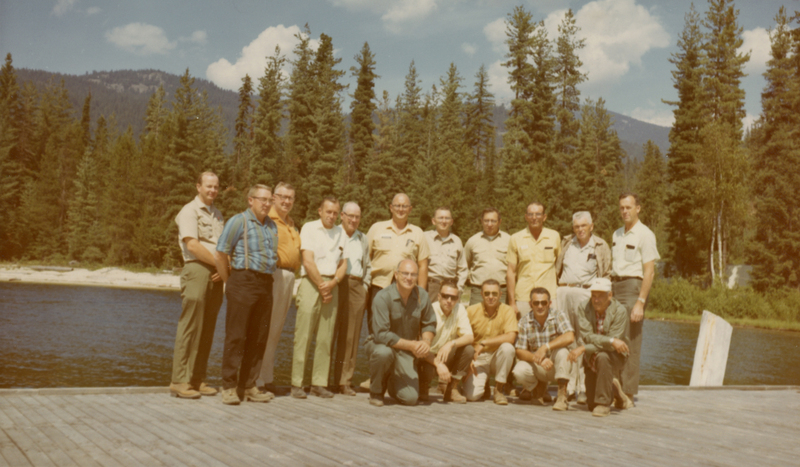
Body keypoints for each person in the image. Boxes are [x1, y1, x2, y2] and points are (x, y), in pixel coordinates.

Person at [214, 185, 278, 405]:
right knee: (236, 336)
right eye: (263, 199)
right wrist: (229, 281)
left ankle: (248, 384)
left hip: (265, 283)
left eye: (270, 200)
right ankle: (229, 386)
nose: (267, 204)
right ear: (250, 200)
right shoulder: (238, 221)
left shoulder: (271, 225)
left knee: (259, 336)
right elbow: (221, 252)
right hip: (242, 280)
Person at [170, 172, 225, 399]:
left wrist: (224, 270)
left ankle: (196, 378)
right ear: (198, 187)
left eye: (216, 187)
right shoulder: (188, 211)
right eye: (208, 186)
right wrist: (219, 265)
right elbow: (192, 245)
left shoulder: (218, 215)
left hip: (216, 274)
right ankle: (179, 380)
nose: (212, 190)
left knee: (208, 327)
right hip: (197, 270)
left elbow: (222, 246)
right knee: (191, 326)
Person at [291, 197, 347, 399]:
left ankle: (318, 383)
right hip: (311, 283)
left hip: (332, 284)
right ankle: (297, 383)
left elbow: (343, 263)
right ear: (320, 211)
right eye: (328, 212)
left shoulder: (341, 232)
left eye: (335, 212)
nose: (331, 216)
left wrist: (333, 283)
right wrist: (322, 287)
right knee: (303, 334)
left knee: (326, 336)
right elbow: (307, 260)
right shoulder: (309, 228)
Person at [554, 211, 611, 405]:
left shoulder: (601, 246)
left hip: (585, 295)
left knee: (582, 339)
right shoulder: (567, 243)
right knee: (565, 338)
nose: (580, 230)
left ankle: (582, 388)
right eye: (576, 226)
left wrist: (601, 300)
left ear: (591, 226)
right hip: (563, 292)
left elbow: (606, 273)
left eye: (583, 226)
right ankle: (567, 386)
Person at [365, 259, 436, 407]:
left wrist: (426, 342)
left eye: (413, 274)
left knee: (410, 399)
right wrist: (412, 345)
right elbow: (381, 334)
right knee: (383, 353)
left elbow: (429, 323)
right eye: (405, 273)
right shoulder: (383, 297)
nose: (409, 278)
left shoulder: (422, 296)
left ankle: (392, 380)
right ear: (396, 275)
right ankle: (376, 391)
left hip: (406, 351)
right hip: (382, 345)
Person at [612, 192, 659, 403]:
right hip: (615, 287)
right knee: (615, 337)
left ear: (637, 208)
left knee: (631, 338)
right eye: (622, 207)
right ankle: (615, 386)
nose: (625, 211)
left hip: (633, 288)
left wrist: (640, 302)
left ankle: (628, 393)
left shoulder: (645, 234)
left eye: (629, 207)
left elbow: (649, 271)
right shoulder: (617, 235)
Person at [257, 182, 301, 396]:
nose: (286, 201)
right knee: (264, 327)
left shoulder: (291, 223)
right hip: (274, 274)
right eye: (282, 197)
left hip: (289, 276)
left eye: (290, 198)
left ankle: (267, 377)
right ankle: (256, 380)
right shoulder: (267, 219)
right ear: (274, 197)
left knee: (276, 330)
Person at [568, 278, 632, 417]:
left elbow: (611, 348)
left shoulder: (620, 311)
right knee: (591, 405)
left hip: (616, 355)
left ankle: (603, 404)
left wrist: (584, 349)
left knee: (603, 356)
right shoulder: (583, 307)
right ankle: (616, 391)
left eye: (600, 296)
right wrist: (609, 340)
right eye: (593, 296)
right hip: (592, 356)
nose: (595, 300)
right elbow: (587, 336)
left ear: (610, 295)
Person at [330, 202, 371, 396]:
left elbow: (368, 264)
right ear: (342, 216)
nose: (353, 220)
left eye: (357, 217)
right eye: (350, 216)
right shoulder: (333, 233)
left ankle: (344, 381)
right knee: (329, 332)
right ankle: (321, 380)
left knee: (351, 337)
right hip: (335, 283)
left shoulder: (362, 238)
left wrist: (365, 285)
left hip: (356, 285)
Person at [512, 288, 575, 410]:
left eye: (543, 302)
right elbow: (519, 351)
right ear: (530, 304)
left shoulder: (558, 315)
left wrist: (546, 347)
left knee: (563, 352)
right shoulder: (524, 321)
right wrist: (538, 359)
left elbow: (570, 336)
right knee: (519, 371)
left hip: (557, 365)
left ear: (549, 303)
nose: (540, 306)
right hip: (539, 365)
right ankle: (538, 388)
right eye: (536, 303)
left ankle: (562, 396)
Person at [418, 279, 474, 403]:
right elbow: (419, 346)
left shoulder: (460, 309)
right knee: (426, 369)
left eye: (453, 298)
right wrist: (438, 364)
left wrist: (451, 344)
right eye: (445, 296)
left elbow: (470, 337)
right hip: (427, 356)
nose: (449, 301)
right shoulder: (429, 311)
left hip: (445, 355)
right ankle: (423, 387)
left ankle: (452, 388)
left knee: (468, 350)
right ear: (438, 296)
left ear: (458, 299)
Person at [463, 280, 518, 405]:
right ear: (481, 294)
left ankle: (498, 389)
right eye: (487, 293)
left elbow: (511, 337)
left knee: (508, 348)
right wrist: (467, 361)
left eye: (494, 293)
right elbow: (462, 336)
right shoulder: (471, 311)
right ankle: (484, 384)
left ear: (500, 294)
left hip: (496, 356)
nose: (491, 297)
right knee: (472, 396)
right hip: (478, 358)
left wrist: (484, 343)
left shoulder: (508, 310)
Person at [507, 202, 561, 319]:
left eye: (538, 214)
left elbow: (560, 266)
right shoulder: (516, 238)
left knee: (551, 331)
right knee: (523, 332)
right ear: (526, 217)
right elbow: (511, 271)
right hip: (524, 296)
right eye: (530, 214)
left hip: (549, 296)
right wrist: (512, 303)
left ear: (544, 217)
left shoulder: (554, 236)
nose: (534, 218)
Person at [463, 208, 510, 306]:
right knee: (476, 319)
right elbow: (463, 264)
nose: (489, 224)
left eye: (493, 221)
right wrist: (469, 279)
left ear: (499, 222)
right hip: (478, 291)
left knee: (502, 320)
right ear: (481, 221)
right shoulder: (472, 241)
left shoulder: (509, 240)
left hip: (502, 291)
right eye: (486, 221)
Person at [424, 207, 467, 301]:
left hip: (451, 287)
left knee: (450, 315)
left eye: (447, 218)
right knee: (429, 315)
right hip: (430, 287)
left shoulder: (457, 241)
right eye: (440, 218)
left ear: (451, 222)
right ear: (433, 221)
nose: (444, 221)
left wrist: (458, 289)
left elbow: (463, 269)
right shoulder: (425, 238)